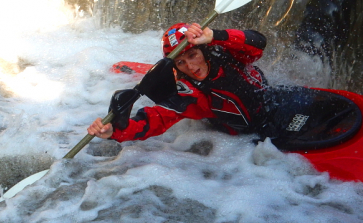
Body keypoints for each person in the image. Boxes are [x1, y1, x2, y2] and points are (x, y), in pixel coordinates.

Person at [87, 22, 284, 142]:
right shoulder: (188, 95)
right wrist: (114, 131)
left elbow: (258, 43)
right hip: (247, 131)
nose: (190, 66)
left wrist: (216, 35)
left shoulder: (229, 53)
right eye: (181, 62)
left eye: (193, 55)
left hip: (272, 102)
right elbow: (154, 120)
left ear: (203, 50)